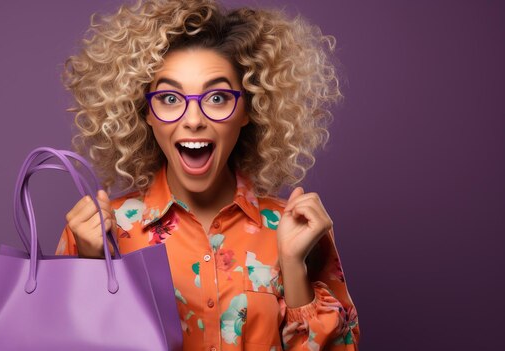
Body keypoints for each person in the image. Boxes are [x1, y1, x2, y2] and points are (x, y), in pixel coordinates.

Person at [55, 0, 360, 349]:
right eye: (170, 98)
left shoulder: (294, 230)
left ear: (248, 108)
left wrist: (293, 266)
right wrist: (94, 268)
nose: (194, 119)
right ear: (146, 113)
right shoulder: (100, 232)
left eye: (217, 97)